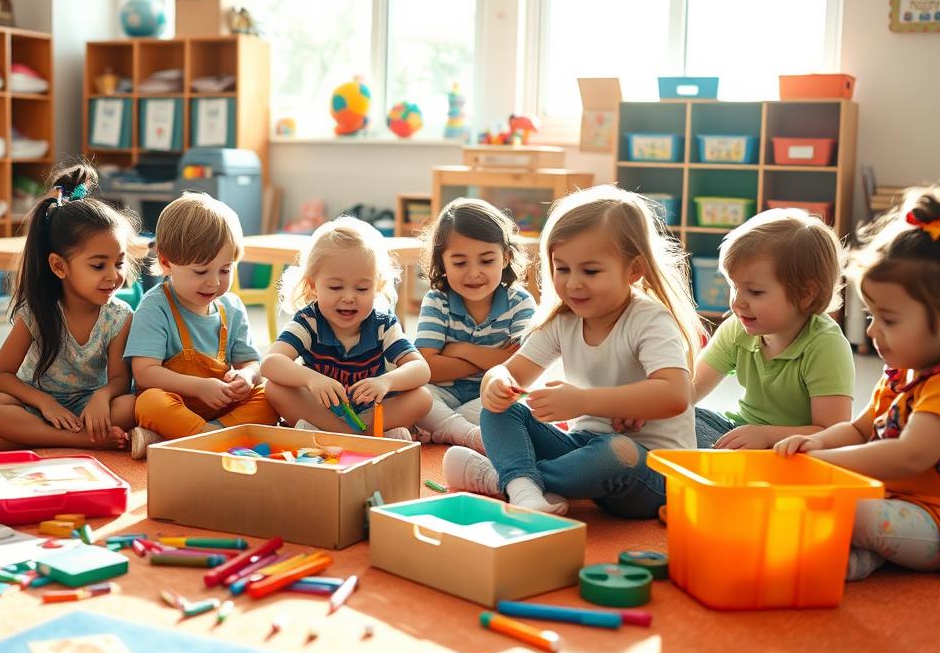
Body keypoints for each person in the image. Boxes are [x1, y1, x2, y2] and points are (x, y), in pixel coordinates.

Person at [775, 186, 940, 579]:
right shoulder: (903, 373)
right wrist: (817, 442)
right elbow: (860, 429)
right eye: (871, 315)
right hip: (896, 505)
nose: (872, 331)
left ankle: (849, 551)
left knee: (839, 505)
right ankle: (853, 558)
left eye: (888, 320)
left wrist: (821, 466)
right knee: (824, 504)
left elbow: (909, 456)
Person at [444, 185, 702, 516]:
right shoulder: (564, 320)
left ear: (634, 270)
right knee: (498, 411)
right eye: (562, 268)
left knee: (613, 450)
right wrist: (496, 381)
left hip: (651, 468)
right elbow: (511, 370)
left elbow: (674, 395)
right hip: (582, 450)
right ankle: (524, 489)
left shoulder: (650, 319)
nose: (573, 283)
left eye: (590, 271)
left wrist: (581, 401)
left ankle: (504, 479)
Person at [0, 165, 137, 451]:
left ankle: (22, 439)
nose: (113, 275)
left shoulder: (119, 316)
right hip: (35, 404)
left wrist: (101, 398)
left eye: (118, 263)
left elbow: (121, 379)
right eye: (98, 265)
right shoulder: (37, 311)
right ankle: (80, 441)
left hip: (88, 408)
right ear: (59, 266)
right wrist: (44, 403)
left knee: (133, 404)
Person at [126, 192, 278, 459]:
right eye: (200, 272)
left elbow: (252, 363)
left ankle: (197, 438)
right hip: (175, 405)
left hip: (220, 408)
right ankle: (216, 440)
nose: (214, 283)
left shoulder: (231, 307)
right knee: (149, 403)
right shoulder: (155, 306)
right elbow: (145, 373)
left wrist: (247, 377)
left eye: (225, 270)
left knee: (271, 395)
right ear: (165, 263)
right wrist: (199, 387)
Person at [693, 208, 855, 449]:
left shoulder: (825, 345)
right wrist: (644, 411)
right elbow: (688, 392)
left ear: (806, 295)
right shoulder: (737, 328)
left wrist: (766, 436)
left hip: (794, 451)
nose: (737, 302)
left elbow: (832, 434)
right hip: (742, 432)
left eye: (755, 292)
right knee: (682, 419)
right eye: (734, 287)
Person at [262, 217, 431, 438]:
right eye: (335, 287)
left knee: (423, 398)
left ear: (377, 286)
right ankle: (362, 436)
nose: (349, 297)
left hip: (369, 412)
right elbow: (270, 363)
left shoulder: (382, 323)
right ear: (313, 286)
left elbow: (421, 369)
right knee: (274, 388)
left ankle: (345, 434)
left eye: (362, 288)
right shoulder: (309, 321)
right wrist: (312, 380)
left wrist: (385, 382)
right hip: (323, 410)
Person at [413, 198, 535, 451]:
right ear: (442, 263)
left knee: (514, 407)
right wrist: (495, 358)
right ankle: (466, 434)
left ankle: (443, 429)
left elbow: (520, 369)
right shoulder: (437, 301)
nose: (473, 273)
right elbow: (428, 369)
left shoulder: (520, 303)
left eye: (486, 261)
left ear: (505, 258)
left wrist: (460, 350)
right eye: (459, 263)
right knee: (416, 397)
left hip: (491, 395)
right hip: (441, 393)